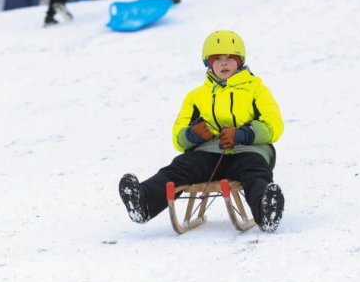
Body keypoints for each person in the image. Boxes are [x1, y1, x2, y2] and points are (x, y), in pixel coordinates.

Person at [118, 30, 286, 233]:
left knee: (255, 174)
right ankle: (142, 202)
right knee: (181, 167)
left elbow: (274, 125)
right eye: (218, 59)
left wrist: (243, 134)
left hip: (248, 151)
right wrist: (193, 135)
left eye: (229, 58)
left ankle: (266, 210)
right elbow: (178, 137)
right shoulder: (196, 97)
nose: (224, 63)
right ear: (208, 63)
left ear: (240, 61)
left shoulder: (256, 89)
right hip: (209, 154)